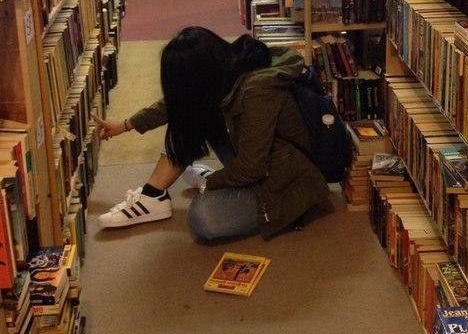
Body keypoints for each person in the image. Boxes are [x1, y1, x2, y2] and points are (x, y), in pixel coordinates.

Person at [92, 27, 331, 241]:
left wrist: (211, 183)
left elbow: (252, 168)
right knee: (188, 109)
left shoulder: (257, 93)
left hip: (286, 180)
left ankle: (199, 184)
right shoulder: (229, 67)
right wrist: (126, 124)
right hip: (264, 160)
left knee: (202, 217)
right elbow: (177, 102)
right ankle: (152, 196)